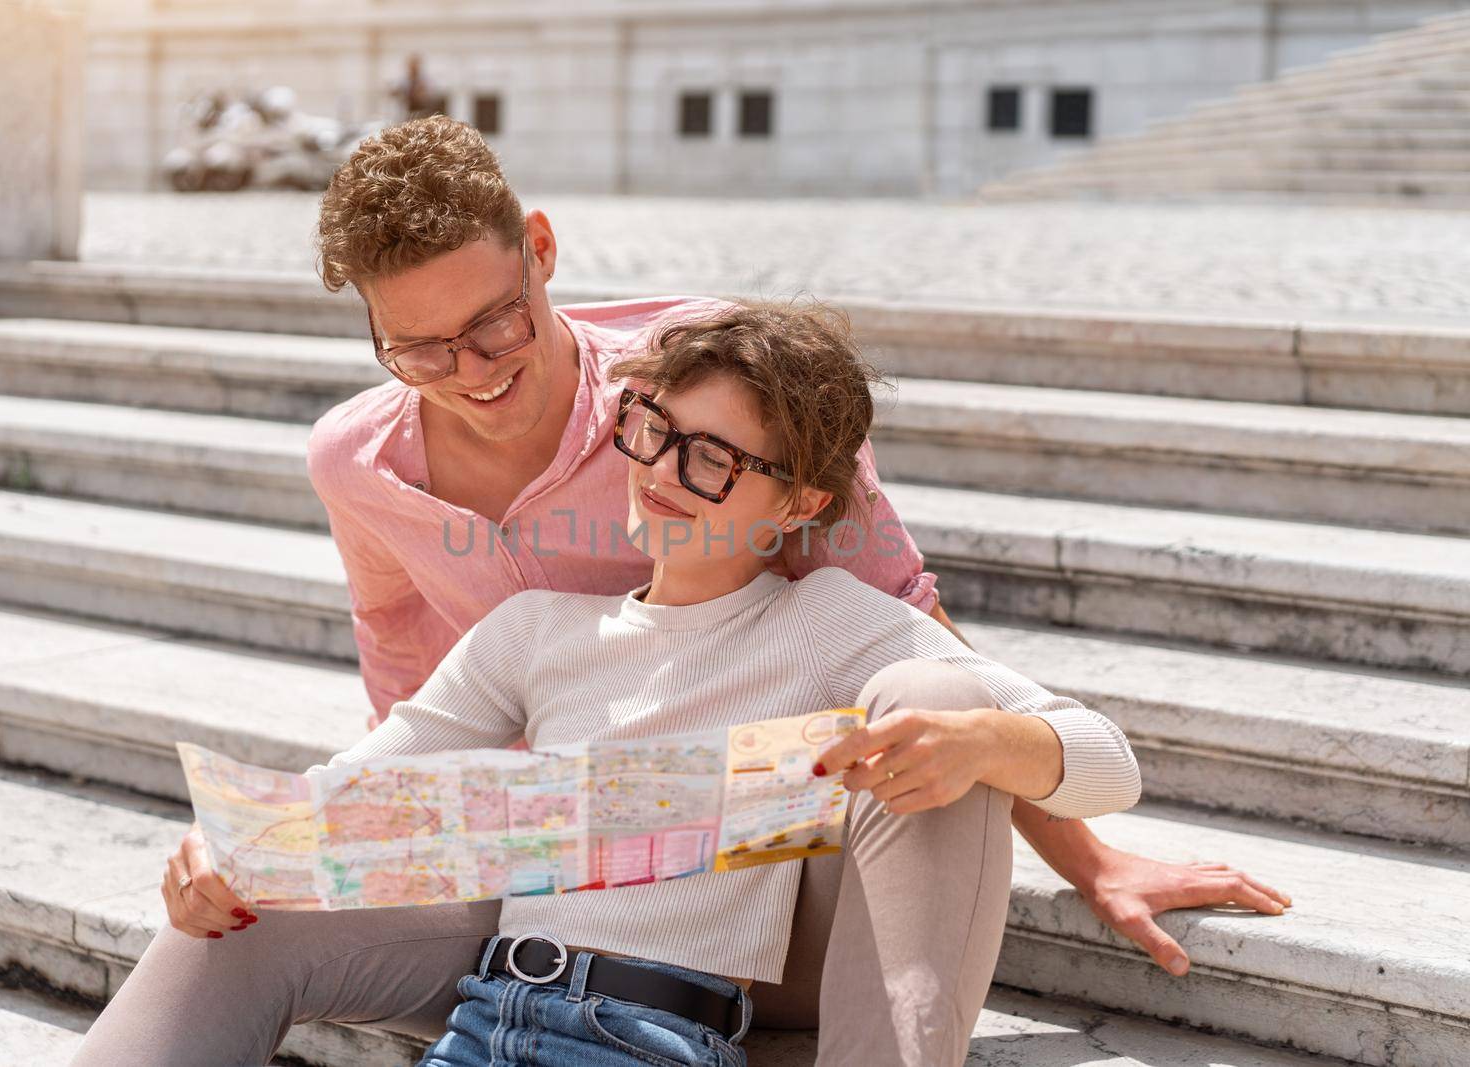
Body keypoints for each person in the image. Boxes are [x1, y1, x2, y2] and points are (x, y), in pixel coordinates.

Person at [72, 301, 1144, 1066]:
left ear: (797, 502)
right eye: (652, 433)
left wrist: (991, 745)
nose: (662, 475)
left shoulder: (833, 625)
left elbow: (1107, 757)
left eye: (711, 459)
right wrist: (238, 844)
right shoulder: (536, 631)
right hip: (488, 1016)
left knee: (944, 703)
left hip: (648, 1032)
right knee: (245, 894)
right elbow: (368, 781)